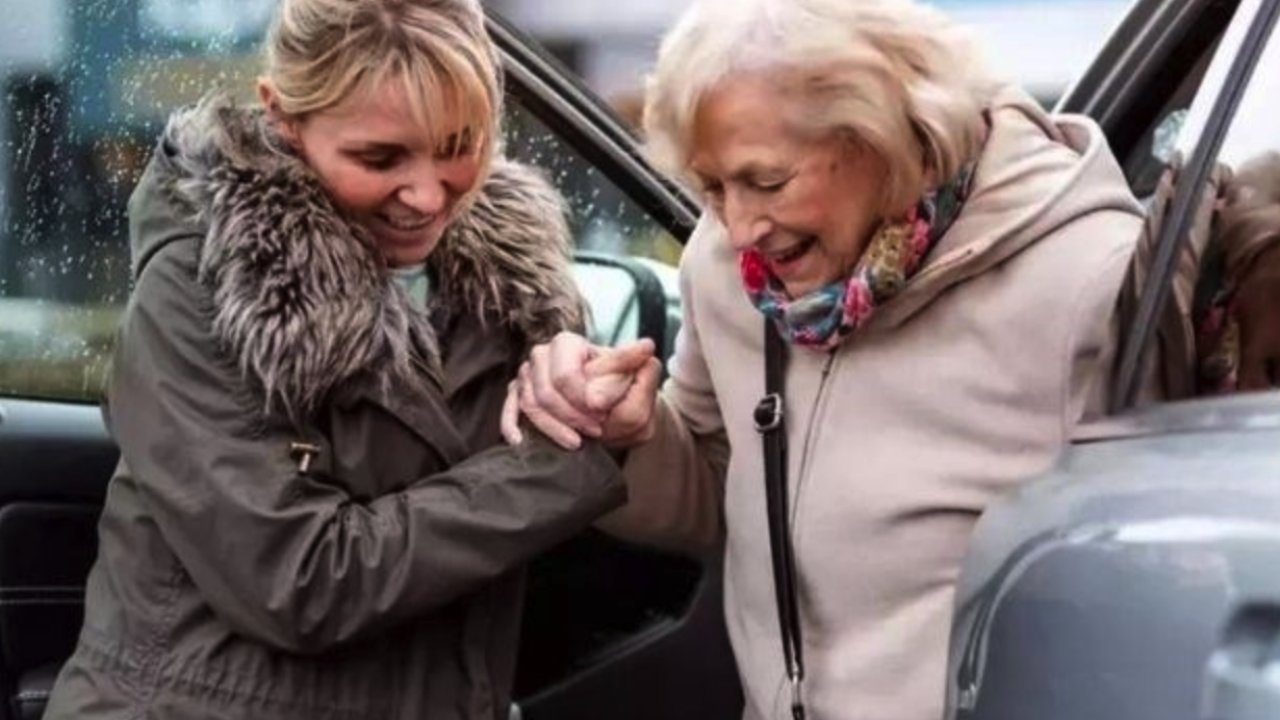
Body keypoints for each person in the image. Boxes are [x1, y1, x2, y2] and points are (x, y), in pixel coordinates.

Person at [501, 0, 1147, 717]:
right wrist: (633, 437)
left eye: (767, 182)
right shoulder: (725, 268)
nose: (739, 227)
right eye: (712, 187)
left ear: (888, 138)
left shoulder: (1089, 281)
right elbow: (720, 486)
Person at [42, 1, 626, 718]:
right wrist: (561, 460)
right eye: (379, 158)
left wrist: (591, 392)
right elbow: (298, 582)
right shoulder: (206, 283)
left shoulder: (511, 286)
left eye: (458, 145)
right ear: (283, 118)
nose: (426, 194)